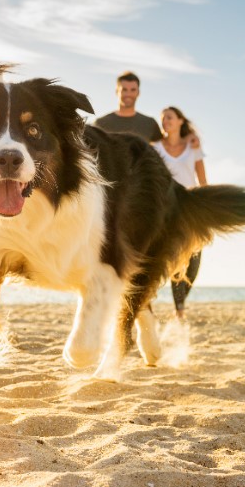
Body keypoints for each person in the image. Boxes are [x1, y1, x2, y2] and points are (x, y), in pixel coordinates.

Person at [153, 106, 207, 319]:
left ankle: (180, 302)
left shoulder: (193, 147)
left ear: (180, 121)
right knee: (177, 256)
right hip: (167, 208)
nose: (165, 121)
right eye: (163, 118)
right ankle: (180, 311)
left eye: (169, 117)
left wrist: (206, 207)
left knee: (194, 261)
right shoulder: (155, 147)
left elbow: (202, 181)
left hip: (191, 208)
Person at [92, 71, 162, 142]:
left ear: (138, 92)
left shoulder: (150, 124)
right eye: (124, 90)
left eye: (133, 90)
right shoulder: (100, 124)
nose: (128, 94)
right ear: (117, 91)